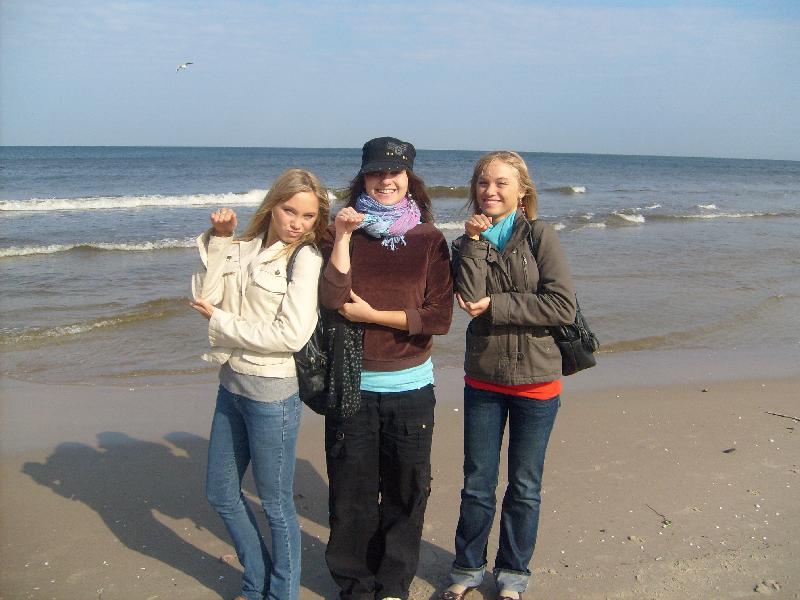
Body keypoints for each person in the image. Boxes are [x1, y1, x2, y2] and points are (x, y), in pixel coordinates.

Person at [319, 137, 454, 600]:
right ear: (363, 178)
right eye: (376, 172)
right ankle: (355, 586)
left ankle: (394, 584)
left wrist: (374, 316)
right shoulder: (340, 232)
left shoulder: (429, 239)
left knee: (406, 492)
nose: (385, 180)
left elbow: (438, 318)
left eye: (394, 172)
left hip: (411, 387)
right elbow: (331, 299)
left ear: (408, 178)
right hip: (351, 384)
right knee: (351, 495)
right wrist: (341, 235)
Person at [441, 152, 577, 600]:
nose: (490, 191)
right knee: (477, 484)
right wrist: (473, 242)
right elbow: (470, 298)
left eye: (501, 183)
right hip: (484, 378)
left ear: (522, 192)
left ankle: (513, 575)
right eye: (483, 182)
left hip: (537, 381)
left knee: (524, 486)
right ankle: (467, 569)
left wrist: (498, 306)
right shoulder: (465, 243)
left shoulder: (540, 235)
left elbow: (562, 306)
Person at [190, 168, 330, 600]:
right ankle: (256, 582)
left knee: (275, 504)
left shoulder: (304, 258)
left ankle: (281, 593)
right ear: (272, 206)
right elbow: (205, 296)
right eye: (290, 211)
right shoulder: (243, 247)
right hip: (231, 385)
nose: (297, 223)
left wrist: (221, 322)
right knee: (220, 492)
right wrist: (220, 239)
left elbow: (291, 336)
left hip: (272, 394)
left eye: (308, 216)